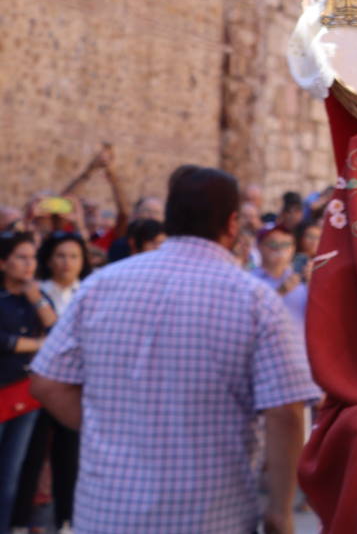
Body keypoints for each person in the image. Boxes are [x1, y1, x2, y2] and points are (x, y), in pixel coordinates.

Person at [29, 165, 321, 534]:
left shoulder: (101, 286)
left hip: (109, 512)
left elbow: (46, 383)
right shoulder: (254, 300)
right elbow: (286, 412)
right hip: (211, 516)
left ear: (170, 218)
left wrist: (113, 426)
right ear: (232, 224)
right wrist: (280, 511)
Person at [14, 233, 91, 534]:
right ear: (49, 259)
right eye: (60, 255)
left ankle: (67, 521)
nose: (67, 263)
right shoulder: (36, 292)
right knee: (30, 458)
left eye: (74, 256)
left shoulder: (88, 291)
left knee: (68, 457)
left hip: (73, 387)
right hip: (37, 385)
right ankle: (20, 521)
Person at [0, 232, 56, 531]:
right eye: (21, 257)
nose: (28, 264)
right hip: (2, 388)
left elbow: (58, 332)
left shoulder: (35, 296)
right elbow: (4, 342)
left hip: (26, 394)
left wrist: (36, 300)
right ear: (3, 262)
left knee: (11, 472)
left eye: (32, 257)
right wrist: (37, 344)